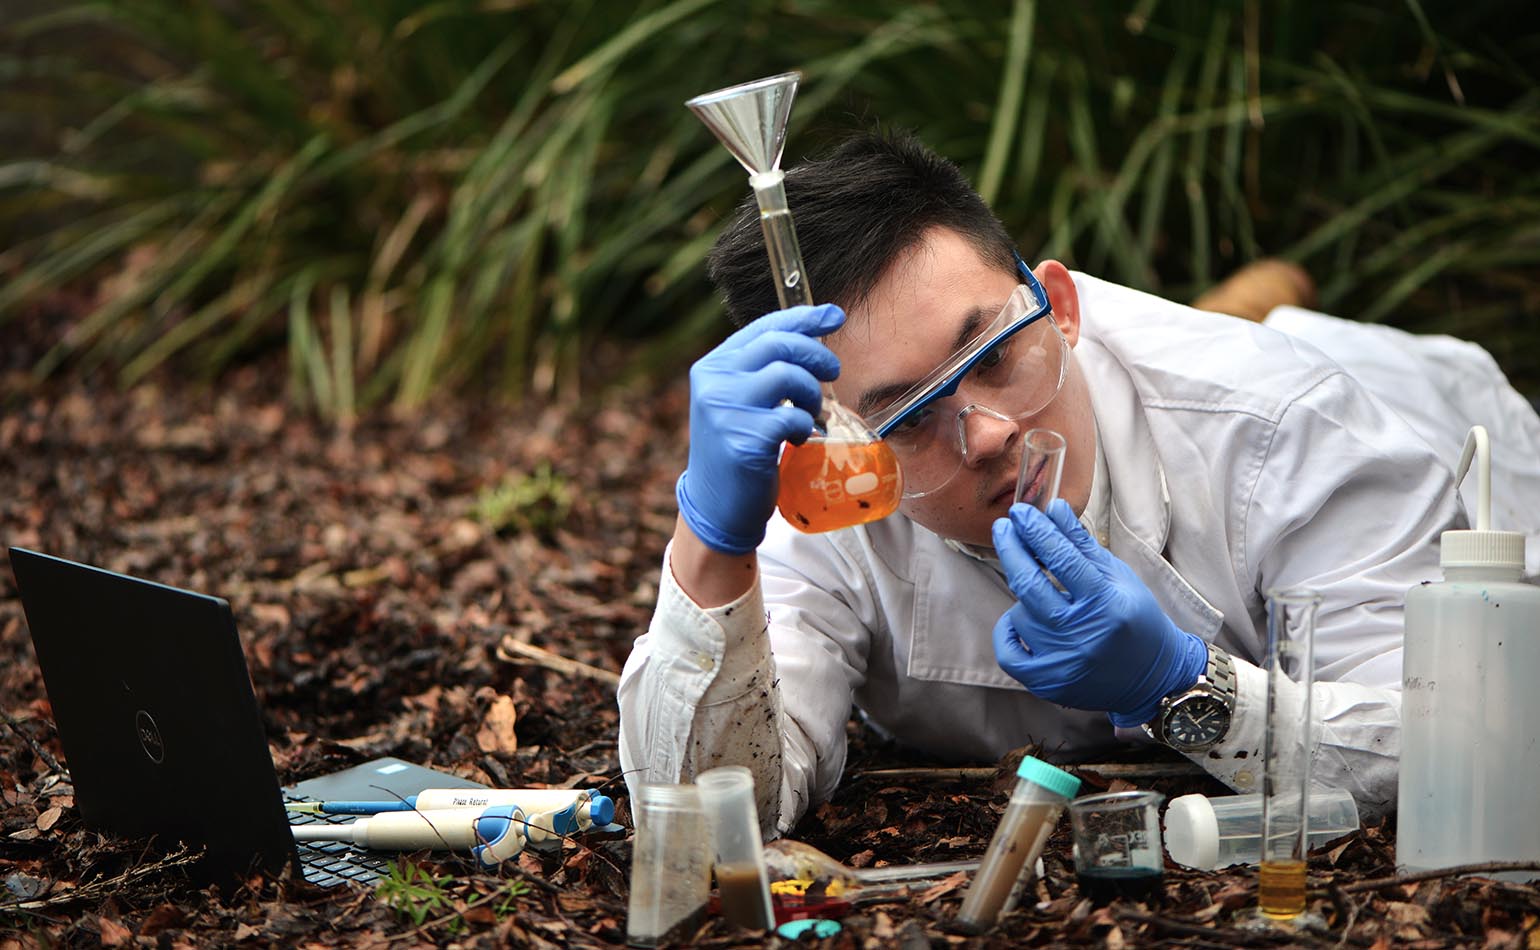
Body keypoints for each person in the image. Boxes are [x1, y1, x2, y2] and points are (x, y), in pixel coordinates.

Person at [617, 129, 1539, 837]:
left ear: (1059, 301)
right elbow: (702, 820)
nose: (986, 434)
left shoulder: (1294, 430)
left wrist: (1181, 686)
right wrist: (711, 544)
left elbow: (1467, 753)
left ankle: (1270, 305)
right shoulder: (836, 488)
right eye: (906, 416)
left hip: (1444, 420)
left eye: (992, 354)